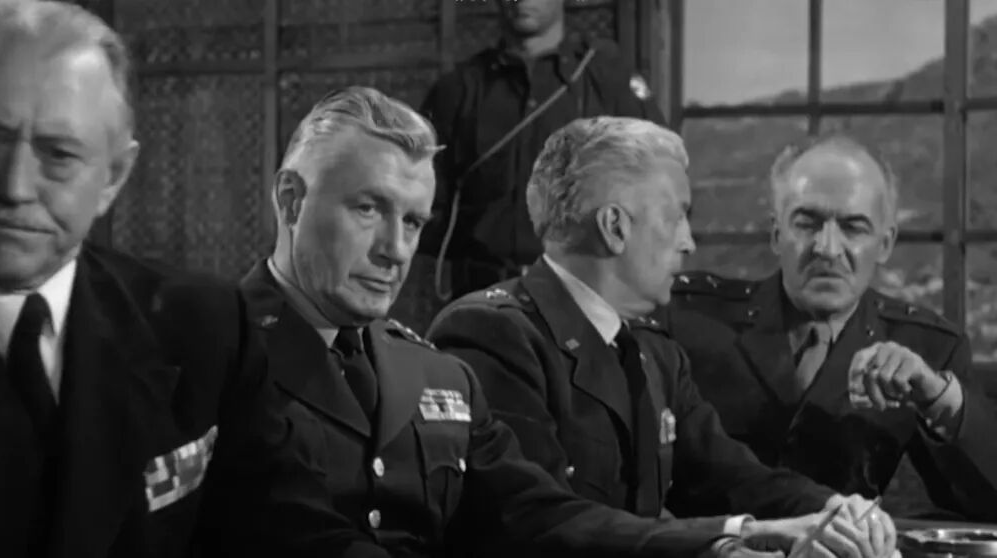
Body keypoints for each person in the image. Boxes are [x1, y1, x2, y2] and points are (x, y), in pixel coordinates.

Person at [240, 85, 844, 558]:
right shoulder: (214, 351)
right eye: (368, 209)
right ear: (290, 200)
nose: (396, 250)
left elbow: (537, 514)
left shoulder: (432, 373)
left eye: (415, 223)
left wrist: (729, 539)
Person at [427, 117, 898, 558]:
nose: (689, 241)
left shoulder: (653, 349)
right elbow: (540, 520)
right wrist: (736, 537)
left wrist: (835, 510)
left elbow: (728, 476)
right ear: (615, 227)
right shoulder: (494, 335)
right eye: (677, 217)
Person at [0, 1, 284, 555]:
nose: (14, 187)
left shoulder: (204, 328)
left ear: (113, 175)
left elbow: (285, 529)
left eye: (58, 154)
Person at [656, 134, 997, 522]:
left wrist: (938, 399)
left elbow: (985, 505)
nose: (827, 248)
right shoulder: (691, 320)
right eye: (807, 223)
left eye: (853, 227)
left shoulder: (925, 346)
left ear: (885, 244)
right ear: (776, 234)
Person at [418, 0, 666, 300]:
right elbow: (422, 201)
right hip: (483, 299)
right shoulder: (459, 90)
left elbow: (662, 188)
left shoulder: (606, 82)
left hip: (583, 298)